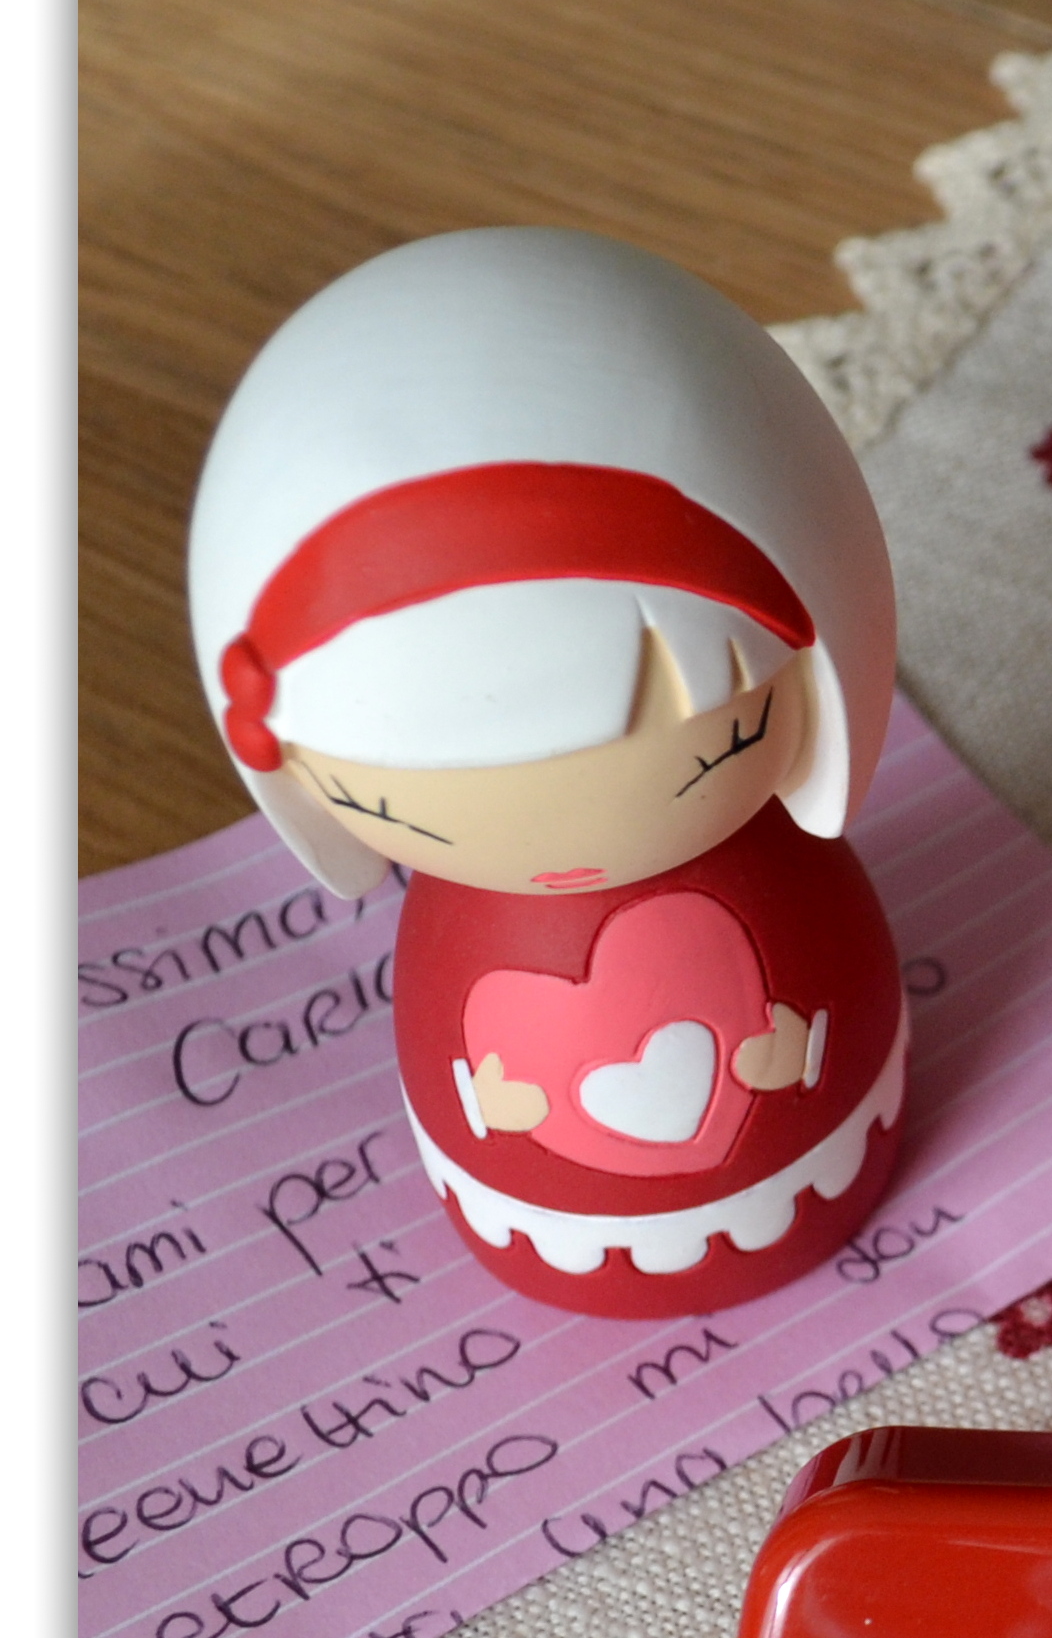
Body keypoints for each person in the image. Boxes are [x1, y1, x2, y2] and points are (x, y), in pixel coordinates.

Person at [187, 228, 908, 1315]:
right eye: (383, 803)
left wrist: (796, 1058)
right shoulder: (469, 913)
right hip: (536, 1214)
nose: (566, 851)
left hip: (822, 1152)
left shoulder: (783, 834)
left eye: (714, 743)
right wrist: (501, 1107)